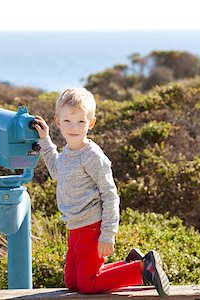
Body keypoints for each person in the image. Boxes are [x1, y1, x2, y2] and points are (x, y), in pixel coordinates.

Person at [33, 88, 170, 296]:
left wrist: (108, 234)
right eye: (68, 121)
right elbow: (56, 171)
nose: (74, 127)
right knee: (72, 282)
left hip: (92, 228)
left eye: (81, 122)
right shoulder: (69, 152)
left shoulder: (92, 156)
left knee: (87, 284)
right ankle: (130, 263)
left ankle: (143, 268)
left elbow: (110, 195)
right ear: (58, 122)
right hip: (75, 229)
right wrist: (45, 139)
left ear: (91, 123)